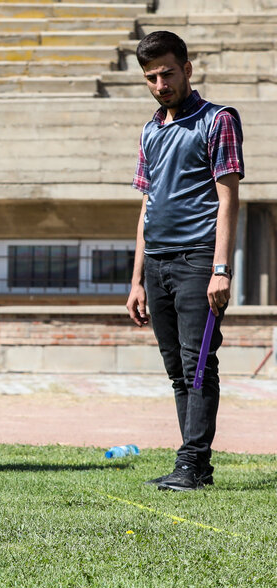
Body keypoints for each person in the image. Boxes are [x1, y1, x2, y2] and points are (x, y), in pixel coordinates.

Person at [125, 31, 243, 492]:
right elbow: (147, 206)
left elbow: (229, 197)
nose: (159, 83)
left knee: (199, 365)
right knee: (177, 369)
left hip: (198, 261)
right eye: (150, 77)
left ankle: (192, 462)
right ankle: (193, 466)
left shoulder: (218, 121)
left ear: (187, 70)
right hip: (156, 264)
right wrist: (135, 280)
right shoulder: (150, 130)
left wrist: (220, 268)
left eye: (167, 73)